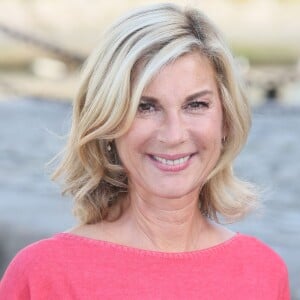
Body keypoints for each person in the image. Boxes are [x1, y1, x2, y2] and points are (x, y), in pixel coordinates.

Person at [0, 3, 290, 299]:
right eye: (145, 106)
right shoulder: (43, 276)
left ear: (226, 120)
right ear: (108, 121)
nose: (173, 134)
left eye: (196, 105)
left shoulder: (263, 272)